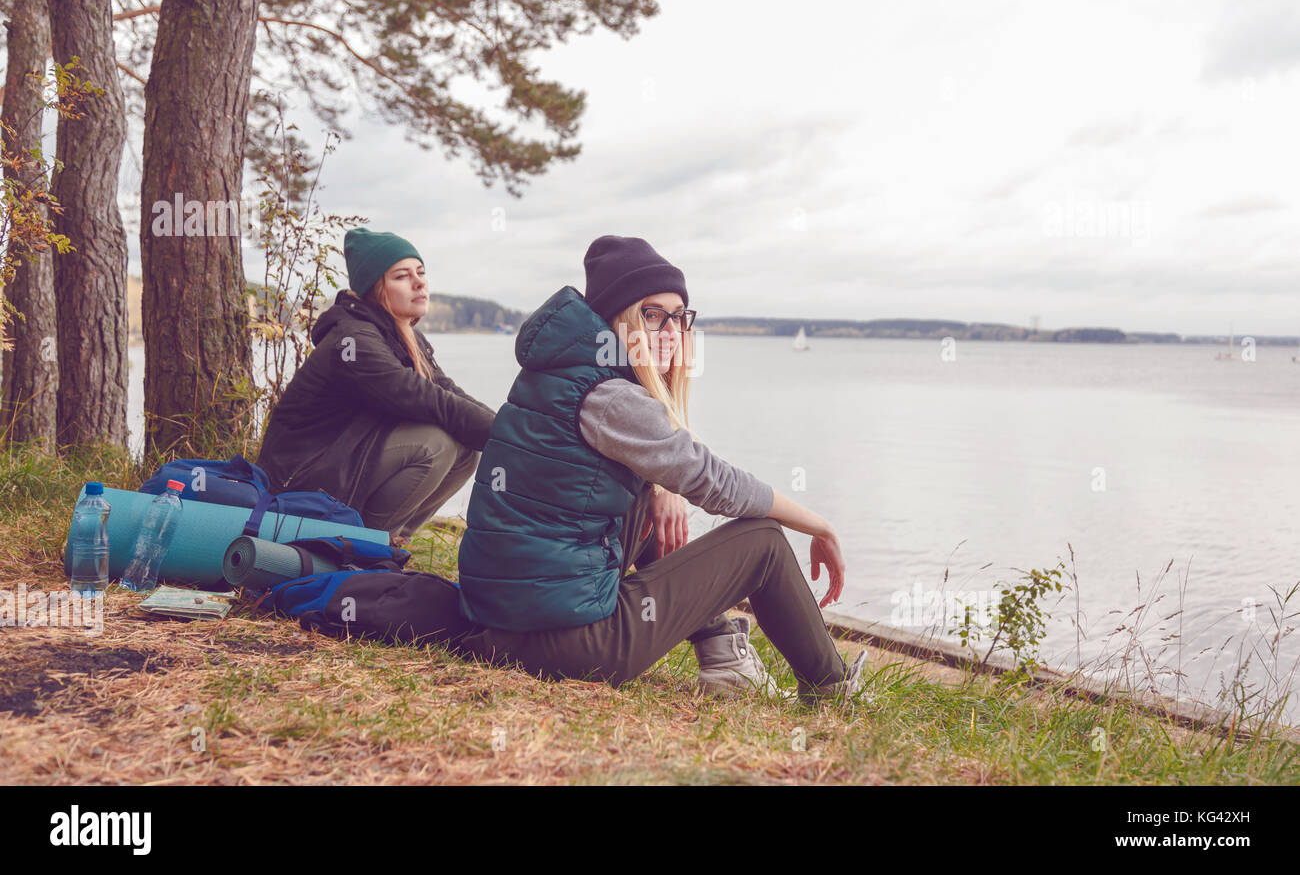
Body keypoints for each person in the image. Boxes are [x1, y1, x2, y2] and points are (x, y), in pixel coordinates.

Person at [455, 235, 869, 704]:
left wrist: (656, 486)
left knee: (647, 499)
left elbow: (651, 466)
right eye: (653, 315)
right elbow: (717, 483)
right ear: (619, 320)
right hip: (569, 644)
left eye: (680, 316)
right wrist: (819, 524)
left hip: (502, 624)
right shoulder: (611, 396)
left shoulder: (568, 372)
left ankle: (722, 657)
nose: (672, 330)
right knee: (765, 541)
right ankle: (832, 692)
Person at [257, 227, 496, 546]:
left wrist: (513, 428)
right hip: (298, 482)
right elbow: (426, 399)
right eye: (401, 276)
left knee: (467, 449)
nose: (419, 282)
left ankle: (393, 541)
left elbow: (447, 391)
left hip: (345, 462)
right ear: (374, 288)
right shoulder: (353, 341)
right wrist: (510, 438)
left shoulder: (402, 335)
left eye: (421, 272)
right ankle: (359, 546)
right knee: (436, 443)